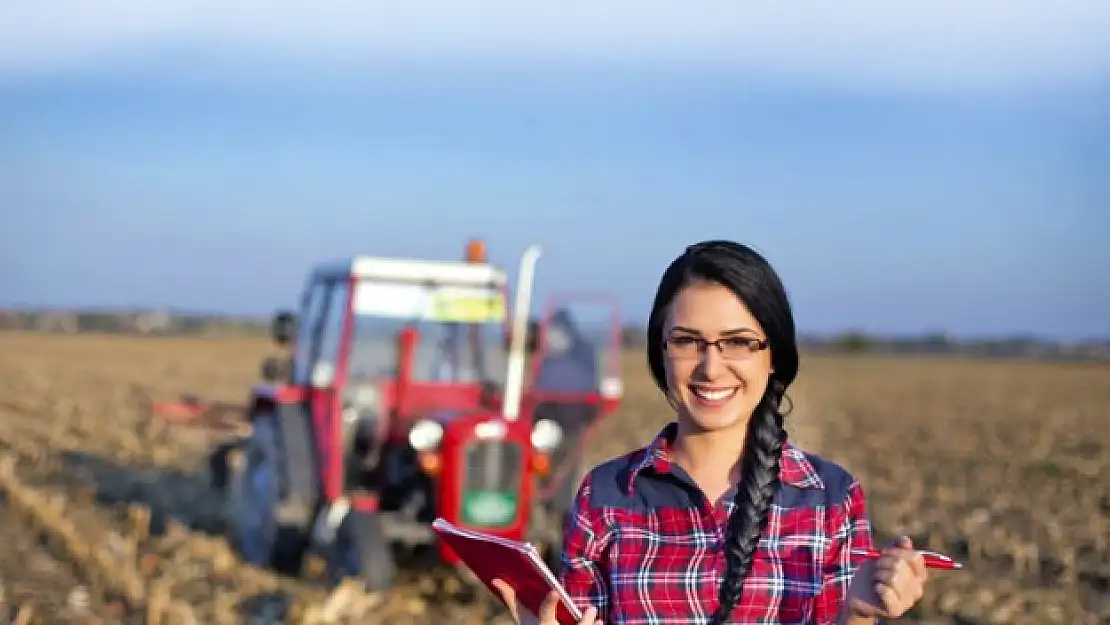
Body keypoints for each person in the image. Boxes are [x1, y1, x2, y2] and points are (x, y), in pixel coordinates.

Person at [492, 240, 930, 624]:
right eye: (686, 341)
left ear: (773, 354)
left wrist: (854, 615)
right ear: (660, 352)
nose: (710, 367)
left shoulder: (831, 500)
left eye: (738, 342)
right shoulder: (605, 497)